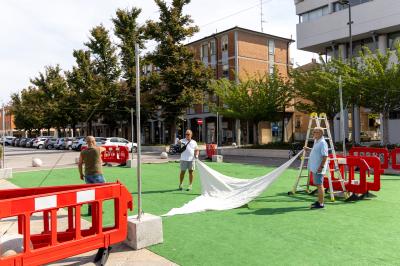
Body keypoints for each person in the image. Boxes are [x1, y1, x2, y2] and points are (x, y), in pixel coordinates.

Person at [78, 136, 106, 215]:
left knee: (90, 193)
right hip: (97, 174)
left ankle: (90, 210)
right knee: (101, 192)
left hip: (87, 175)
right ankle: (99, 209)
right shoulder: (98, 149)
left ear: (86, 142)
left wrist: (81, 174)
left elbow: (80, 164)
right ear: (94, 141)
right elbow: (104, 149)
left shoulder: (83, 152)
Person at [304, 127, 328, 209]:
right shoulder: (316, 141)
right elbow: (316, 151)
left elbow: (325, 156)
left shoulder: (322, 143)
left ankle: (321, 204)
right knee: (318, 185)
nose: (313, 133)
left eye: (315, 132)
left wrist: (321, 167)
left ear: (320, 133)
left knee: (319, 185)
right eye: (313, 132)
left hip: (318, 168)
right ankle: (319, 201)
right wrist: (309, 149)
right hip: (315, 167)